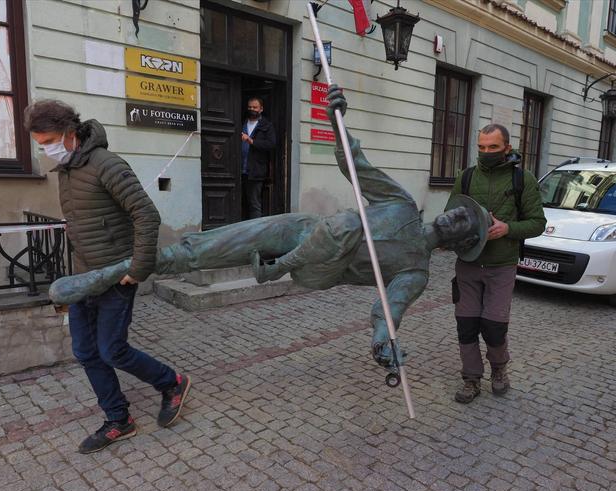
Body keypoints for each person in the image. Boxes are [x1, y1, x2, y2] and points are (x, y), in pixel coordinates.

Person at [49, 86, 491, 372]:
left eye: (462, 222)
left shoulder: (415, 271)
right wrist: (339, 123)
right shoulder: (401, 204)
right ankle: (108, 275)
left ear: (460, 242)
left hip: (316, 266)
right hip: (298, 229)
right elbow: (357, 166)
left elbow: (388, 311)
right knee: (198, 250)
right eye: (459, 210)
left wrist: (383, 342)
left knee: (338, 231)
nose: (453, 216)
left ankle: (276, 267)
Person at [24, 101, 192, 454]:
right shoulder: (68, 170)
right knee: (86, 351)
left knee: (112, 349)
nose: (46, 149)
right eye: (40, 144)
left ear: (70, 133)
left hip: (117, 276)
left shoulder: (107, 165)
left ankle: (173, 382)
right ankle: (119, 420)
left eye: (50, 141)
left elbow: (146, 215)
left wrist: (136, 270)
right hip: (86, 277)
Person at [446, 124, 546, 404]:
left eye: (492, 147)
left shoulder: (522, 179)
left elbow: (538, 223)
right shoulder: (465, 177)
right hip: (468, 264)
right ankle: (471, 378)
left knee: (493, 327)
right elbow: (450, 215)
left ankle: (499, 369)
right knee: (466, 325)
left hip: (502, 265)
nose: (486, 152)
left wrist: (507, 228)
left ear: (507, 148)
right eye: (481, 147)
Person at [241, 97, 276, 218]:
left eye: (255, 107)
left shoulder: (266, 125)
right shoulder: (241, 123)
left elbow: (271, 144)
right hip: (239, 170)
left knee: (254, 204)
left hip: (255, 171)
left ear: (261, 109)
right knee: (240, 203)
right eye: (250, 107)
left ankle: (255, 233)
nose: (252, 109)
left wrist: (251, 141)